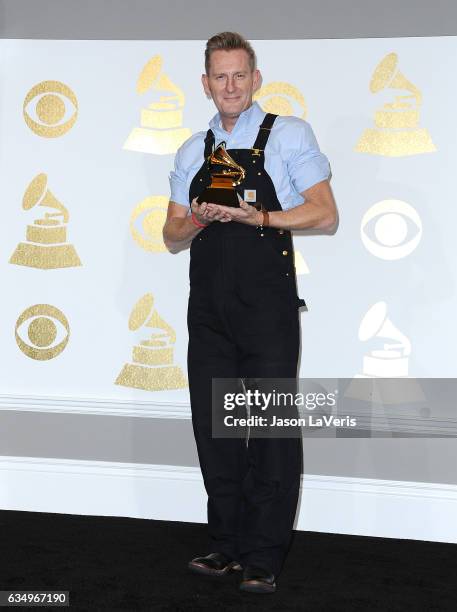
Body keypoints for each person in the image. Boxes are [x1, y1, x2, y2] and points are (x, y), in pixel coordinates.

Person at [163, 31, 337, 594]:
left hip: (267, 307)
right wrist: (199, 218)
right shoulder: (192, 149)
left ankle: (263, 554)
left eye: (240, 75)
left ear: (255, 79)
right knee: (214, 430)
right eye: (220, 76)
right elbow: (170, 237)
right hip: (208, 309)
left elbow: (323, 214)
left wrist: (253, 217)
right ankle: (225, 544)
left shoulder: (289, 134)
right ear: (206, 83)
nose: (231, 85)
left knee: (268, 433)